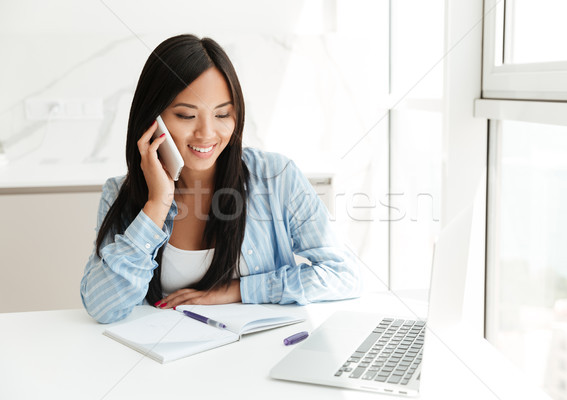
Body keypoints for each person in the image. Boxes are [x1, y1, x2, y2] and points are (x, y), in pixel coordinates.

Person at [80, 34, 361, 324]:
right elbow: (103, 308)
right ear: (153, 118)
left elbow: (344, 275)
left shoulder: (276, 177)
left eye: (222, 114)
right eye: (187, 115)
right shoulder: (119, 193)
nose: (207, 133)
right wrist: (156, 204)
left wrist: (238, 290)